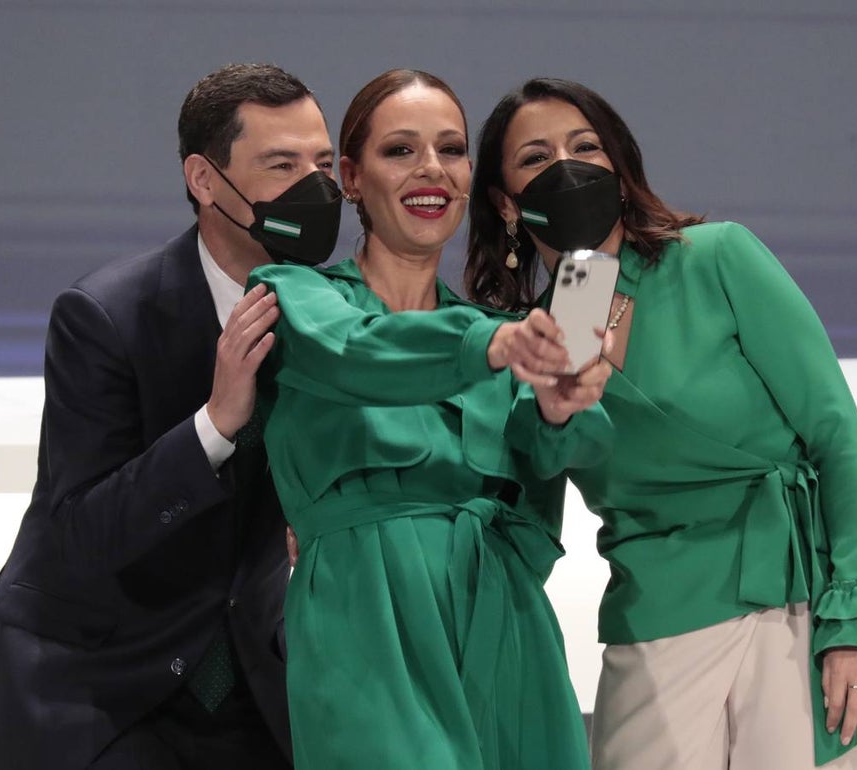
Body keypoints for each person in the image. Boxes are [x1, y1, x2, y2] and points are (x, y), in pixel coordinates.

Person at [465, 77, 857, 770]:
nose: (566, 166)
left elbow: (836, 433)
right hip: (654, 612)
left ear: (621, 170)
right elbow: (533, 502)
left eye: (585, 146)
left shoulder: (717, 258)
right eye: (535, 157)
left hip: (793, 599)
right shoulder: (532, 335)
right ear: (505, 202)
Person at [240, 69, 612, 770]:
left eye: (451, 148)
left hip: (504, 622)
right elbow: (357, 355)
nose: (432, 169)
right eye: (401, 151)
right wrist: (490, 348)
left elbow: (566, 457)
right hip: (366, 621)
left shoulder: (497, 331)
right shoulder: (295, 295)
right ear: (350, 177)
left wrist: (562, 409)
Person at [0, 62, 341, 770]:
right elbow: (83, 533)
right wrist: (215, 425)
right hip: (102, 680)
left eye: (322, 163)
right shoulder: (106, 316)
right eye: (281, 164)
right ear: (205, 181)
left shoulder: (332, 314)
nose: (314, 188)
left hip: (252, 677)